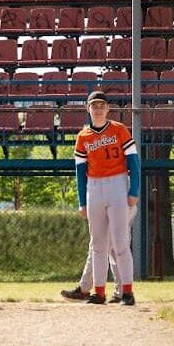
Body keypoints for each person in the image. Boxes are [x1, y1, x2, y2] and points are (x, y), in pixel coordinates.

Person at [71, 90, 140, 306]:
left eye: (102, 105)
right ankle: (98, 292)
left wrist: (134, 191)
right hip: (94, 187)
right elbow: (80, 173)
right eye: (94, 105)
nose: (98, 109)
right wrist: (82, 200)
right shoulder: (83, 137)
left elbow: (134, 163)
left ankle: (127, 291)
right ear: (88, 108)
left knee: (120, 241)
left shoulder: (120, 130)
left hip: (117, 183)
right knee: (98, 243)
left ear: (108, 108)